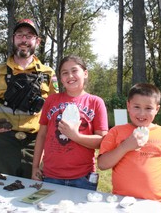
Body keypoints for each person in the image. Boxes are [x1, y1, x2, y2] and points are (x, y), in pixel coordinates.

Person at [0, 18, 58, 178]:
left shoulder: (49, 74)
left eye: (29, 36)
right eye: (19, 35)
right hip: (2, 144)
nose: (24, 40)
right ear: (13, 39)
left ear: (37, 41)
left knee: (33, 193)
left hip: (35, 145)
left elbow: (55, 109)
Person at [97, 83, 161, 213]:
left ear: (157, 109)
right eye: (136, 107)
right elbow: (102, 164)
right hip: (122, 204)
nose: (142, 113)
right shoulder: (116, 132)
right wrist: (125, 146)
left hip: (158, 205)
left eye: (148, 108)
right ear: (128, 106)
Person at [32, 55, 108, 190]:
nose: (70, 76)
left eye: (74, 71)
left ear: (85, 73)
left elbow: (102, 140)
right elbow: (42, 135)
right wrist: (35, 167)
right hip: (50, 175)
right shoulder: (51, 100)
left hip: (83, 177)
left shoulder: (95, 102)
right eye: (65, 73)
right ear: (61, 79)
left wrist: (76, 136)